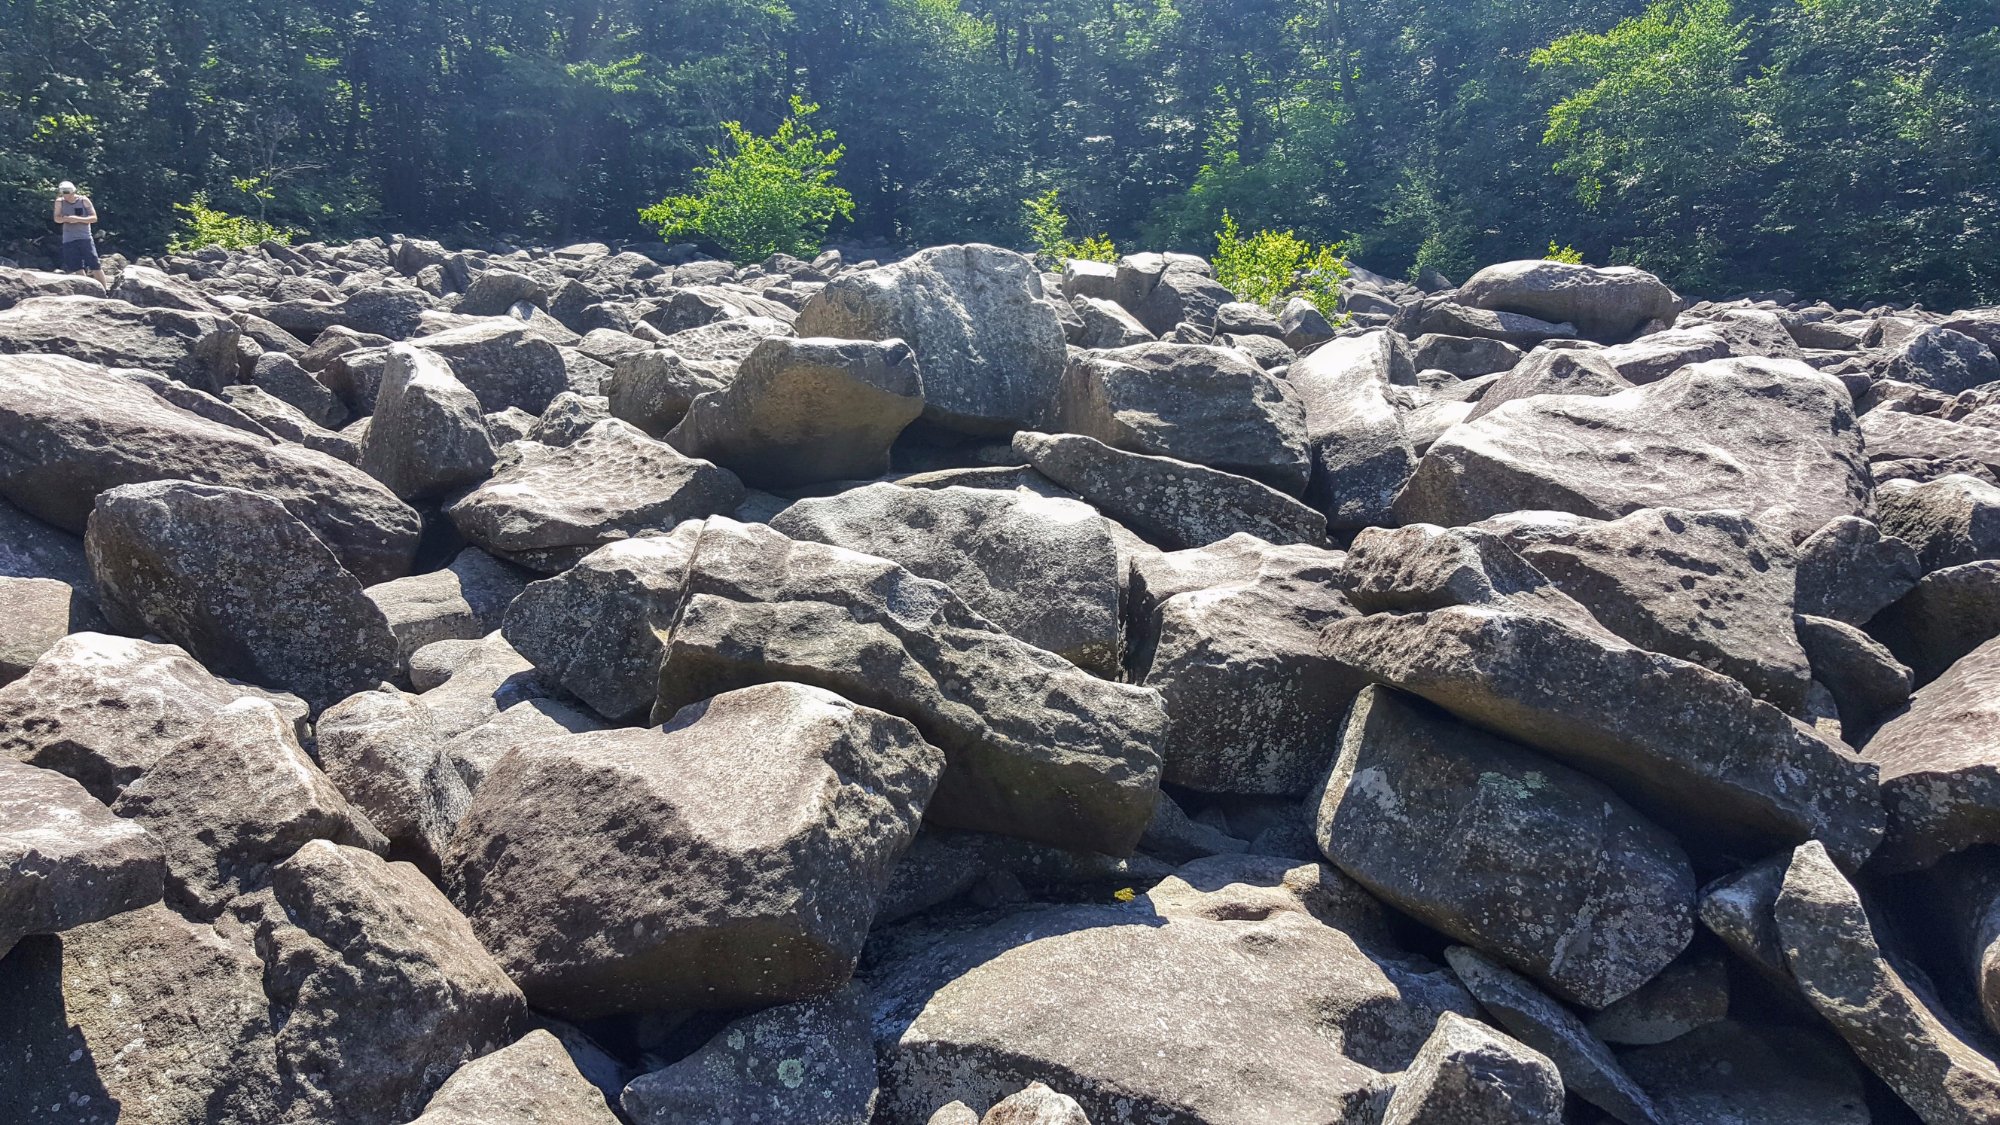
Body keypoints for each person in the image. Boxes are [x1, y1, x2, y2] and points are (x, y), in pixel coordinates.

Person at [52, 181, 106, 286]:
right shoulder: (60, 202)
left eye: (68, 193)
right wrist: (66, 219)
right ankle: (87, 288)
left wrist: (77, 219)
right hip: (69, 238)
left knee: (94, 264)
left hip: (85, 237)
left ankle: (105, 289)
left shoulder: (83, 200)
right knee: (76, 266)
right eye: (63, 193)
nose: (66, 196)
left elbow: (94, 218)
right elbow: (56, 219)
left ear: (73, 191)